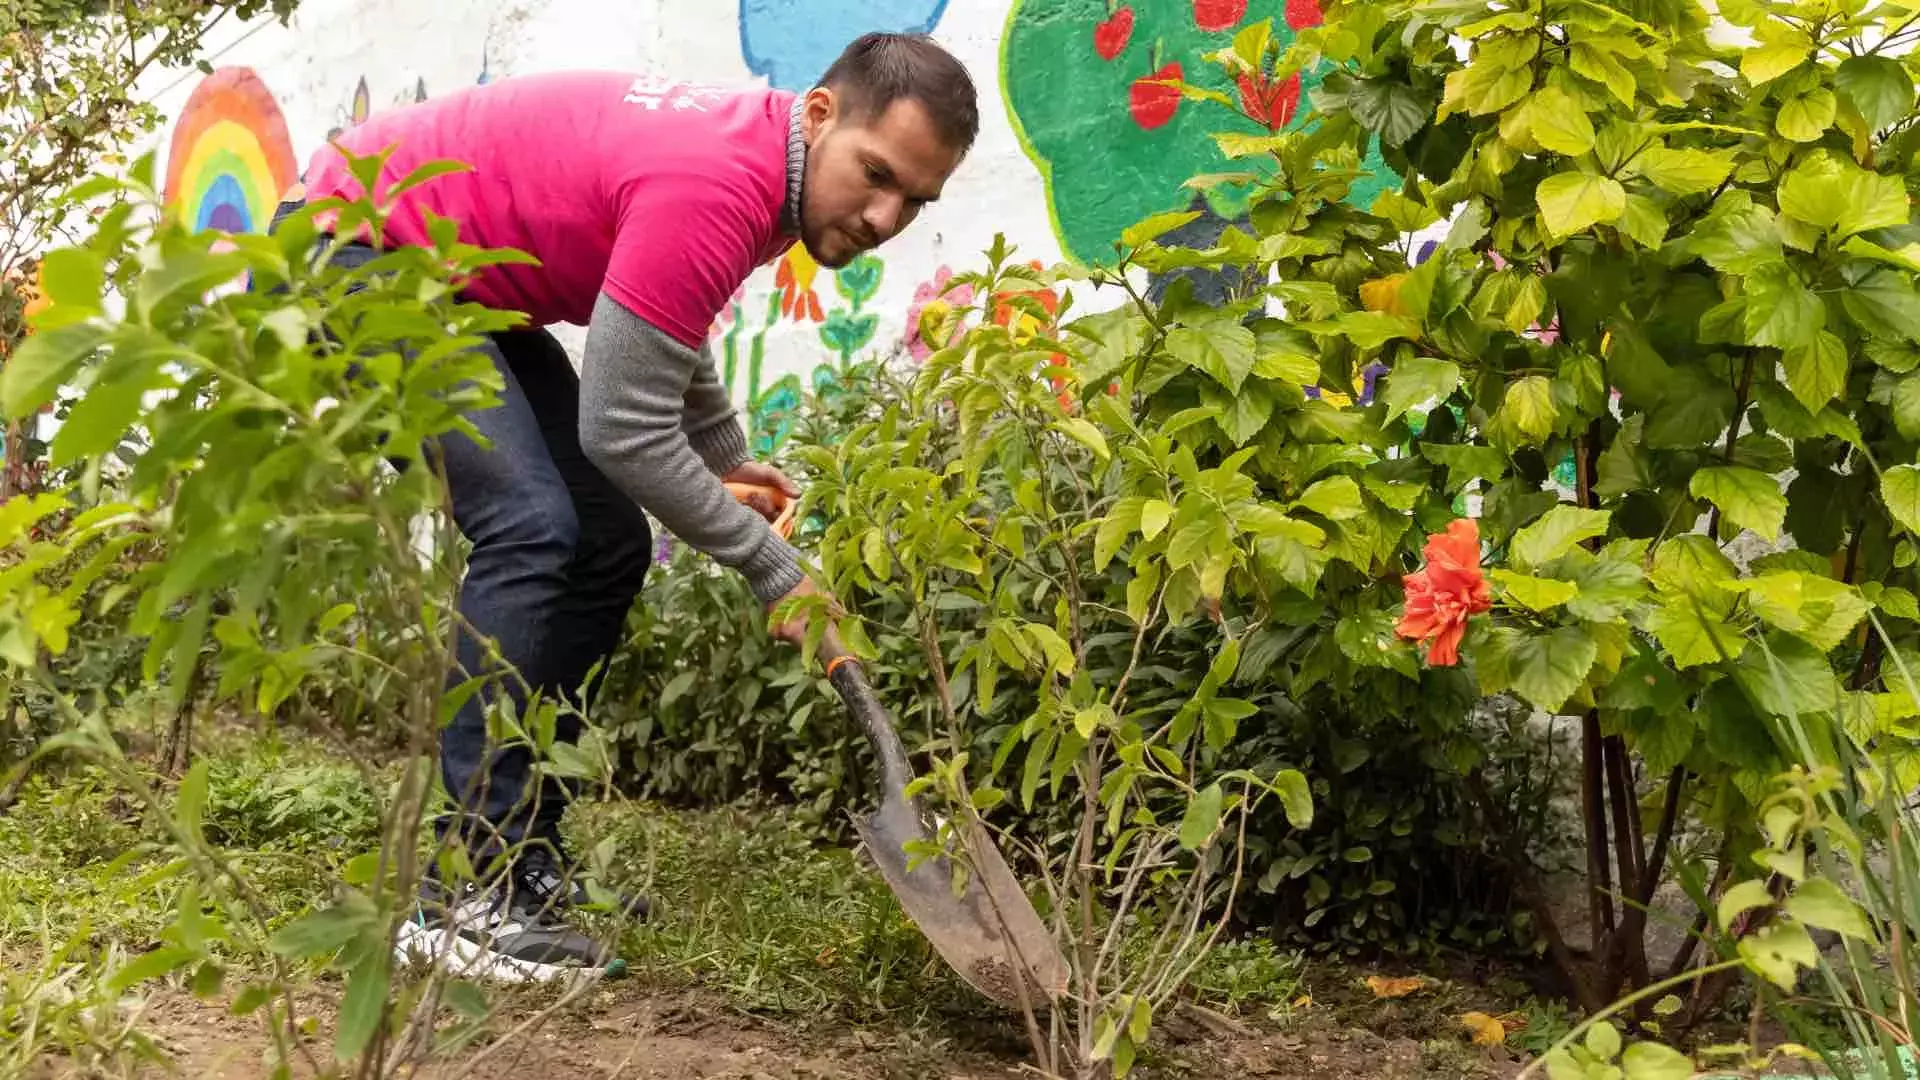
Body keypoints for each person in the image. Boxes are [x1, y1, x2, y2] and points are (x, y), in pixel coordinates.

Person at [273, 32, 979, 981]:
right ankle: (460, 891)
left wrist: (728, 457)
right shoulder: (722, 182)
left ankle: (522, 856)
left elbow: (660, 328)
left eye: (915, 200)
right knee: (531, 524)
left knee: (605, 537)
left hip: (449, 284)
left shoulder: (769, 167)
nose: (887, 216)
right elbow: (624, 430)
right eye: (879, 175)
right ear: (819, 113)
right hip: (349, 248)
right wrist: (776, 570)